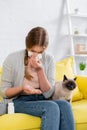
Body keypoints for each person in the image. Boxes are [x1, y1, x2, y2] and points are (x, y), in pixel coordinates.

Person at [0, 26, 75, 130]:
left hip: (42, 99)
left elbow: (48, 93)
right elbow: (4, 92)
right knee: (52, 108)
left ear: (45, 49)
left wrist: (40, 70)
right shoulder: (12, 59)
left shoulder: (49, 59)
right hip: (19, 101)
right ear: (27, 46)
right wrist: (22, 88)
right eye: (32, 51)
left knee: (65, 105)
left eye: (40, 52)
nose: (35, 55)